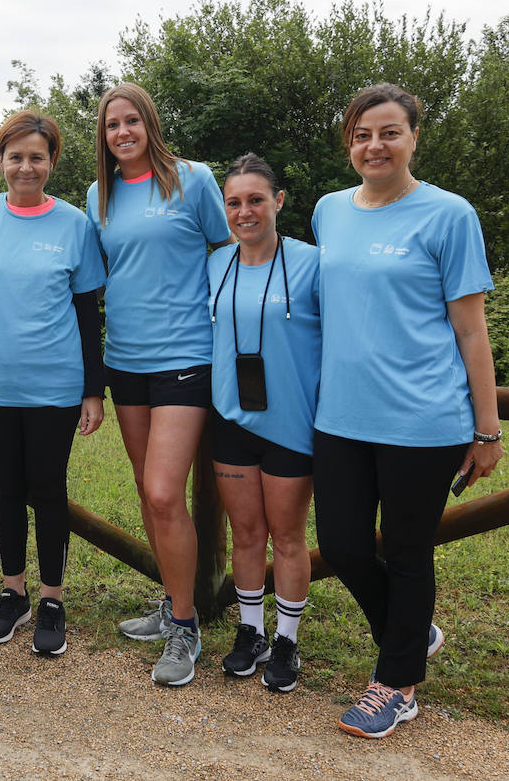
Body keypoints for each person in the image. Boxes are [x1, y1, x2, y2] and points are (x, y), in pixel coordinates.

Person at [313, 83, 503, 738]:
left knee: (407, 552)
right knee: (339, 545)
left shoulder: (449, 215)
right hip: (339, 416)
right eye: (363, 135)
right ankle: (411, 630)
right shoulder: (329, 211)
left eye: (390, 132)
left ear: (414, 137)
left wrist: (487, 429)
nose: (376, 145)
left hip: (424, 422)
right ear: (349, 144)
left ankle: (396, 685)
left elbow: (472, 332)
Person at [85, 82, 232, 685]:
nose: (122, 132)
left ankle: (186, 626)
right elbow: (99, 277)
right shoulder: (101, 192)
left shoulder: (193, 179)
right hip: (125, 359)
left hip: (186, 354)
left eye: (131, 121)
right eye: (111, 124)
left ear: (150, 122)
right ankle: (176, 604)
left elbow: (227, 253)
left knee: (166, 492)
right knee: (150, 493)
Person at [0, 110, 106, 656]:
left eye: (36, 156)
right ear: (0, 161)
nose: (26, 166)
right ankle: (12, 592)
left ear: (52, 161)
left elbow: (88, 313)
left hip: (55, 384)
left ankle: (52, 600)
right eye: (15, 156)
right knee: (6, 488)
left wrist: (93, 389)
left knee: (48, 488)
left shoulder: (75, 225)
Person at [207, 154, 320, 693]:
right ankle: (250, 631)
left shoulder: (313, 264)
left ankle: (287, 640)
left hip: (292, 425)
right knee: (247, 534)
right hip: (231, 420)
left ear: (277, 202)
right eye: (234, 202)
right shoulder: (215, 264)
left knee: (288, 537)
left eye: (256, 200)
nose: (245, 211)